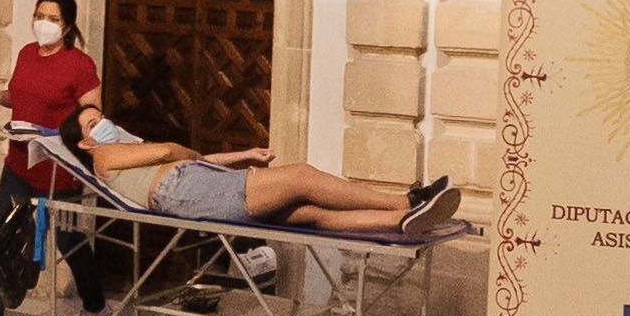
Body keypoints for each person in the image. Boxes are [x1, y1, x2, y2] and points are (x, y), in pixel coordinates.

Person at [56, 102, 460, 237]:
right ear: (84, 142)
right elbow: (174, 151)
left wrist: (242, 154)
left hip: (196, 186)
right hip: (186, 189)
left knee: (313, 214)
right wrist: (177, 149)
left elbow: (190, 161)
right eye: (94, 125)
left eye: (101, 117)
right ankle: (408, 199)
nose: (103, 124)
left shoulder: (124, 149)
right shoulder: (103, 157)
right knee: (301, 176)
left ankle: (402, 220)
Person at [0, 0, 100, 316]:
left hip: (58, 169)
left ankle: (95, 307)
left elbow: (93, 116)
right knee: (1, 239)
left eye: (52, 18)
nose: (43, 23)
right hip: (19, 163)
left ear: (66, 25)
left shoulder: (79, 65)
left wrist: (59, 132)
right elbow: (19, 96)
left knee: (70, 242)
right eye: (39, 15)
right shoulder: (25, 54)